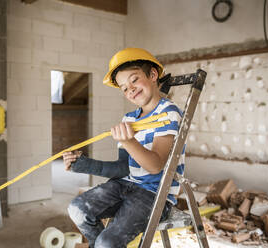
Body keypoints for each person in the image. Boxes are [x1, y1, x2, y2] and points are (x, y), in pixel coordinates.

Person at [63, 48, 185, 248]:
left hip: (154, 194)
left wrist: (130, 142)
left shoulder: (168, 113)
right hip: (126, 184)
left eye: (134, 80)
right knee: (77, 209)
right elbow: (123, 168)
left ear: (153, 75)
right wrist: (84, 165)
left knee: (107, 242)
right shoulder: (129, 119)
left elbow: (155, 166)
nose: (131, 90)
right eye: (124, 88)